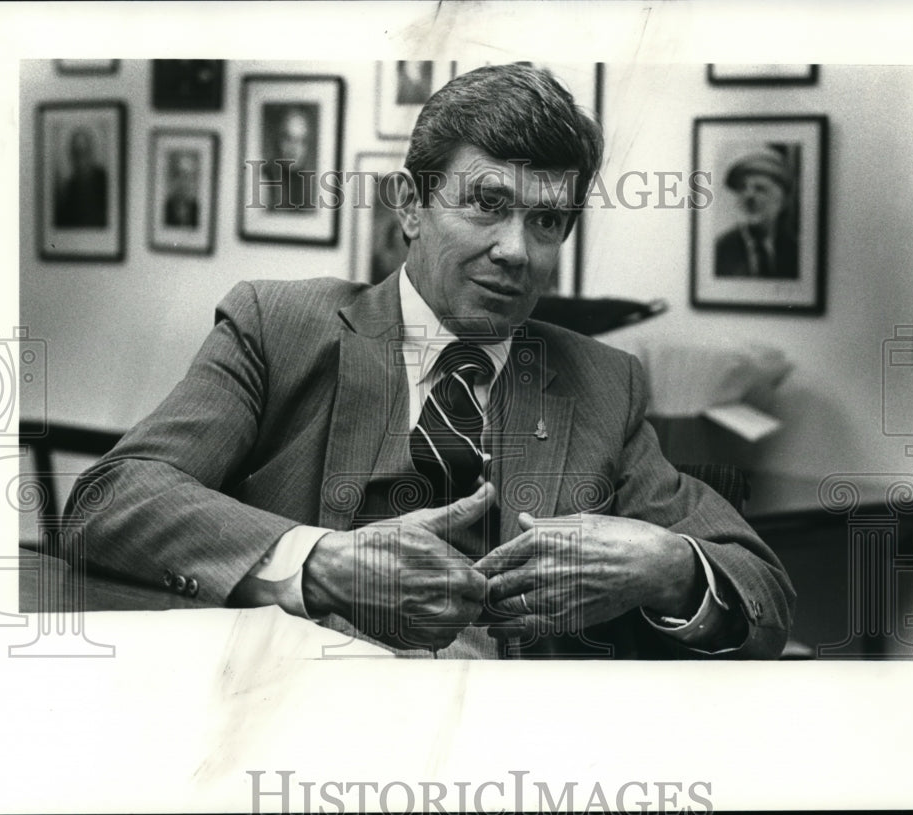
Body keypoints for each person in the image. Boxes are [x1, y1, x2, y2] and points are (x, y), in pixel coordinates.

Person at [65, 64, 794, 659]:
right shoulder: (278, 326)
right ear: (411, 206)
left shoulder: (603, 382)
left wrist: (667, 569)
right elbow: (109, 499)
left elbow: (762, 586)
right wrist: (318, 562)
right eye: (486, 204)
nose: (516, 249)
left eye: (545, 221)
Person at [715, 147, 799, 279]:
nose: (749, 196)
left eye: (760, 188)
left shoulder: (797, 253)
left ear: (783, 201)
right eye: (742, 188)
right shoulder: (718, 251)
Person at [261, 105, 317, 211]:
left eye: (302, 141)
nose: (294, 148)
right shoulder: (263, 182)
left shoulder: (310, 185)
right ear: (276, 139)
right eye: (288, 138)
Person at [54, 127, 108, 228]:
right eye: (76, 152)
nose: (80, 158)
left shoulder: (103, 180)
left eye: (84, 151)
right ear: (71, 154)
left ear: (91, 152)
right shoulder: (70, 186)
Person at [163, 150, 200, 228]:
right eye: (179, 174)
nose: (184, 181)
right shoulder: (163, 210)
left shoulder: (200, 211)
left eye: (190, 176)